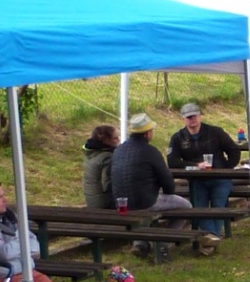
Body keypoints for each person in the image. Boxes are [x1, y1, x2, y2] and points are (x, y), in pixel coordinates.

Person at [110, 113, 201, 255]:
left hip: (121, 203)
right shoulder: (150, 151)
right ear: (147, 134)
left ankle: (140, 244)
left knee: (144, 211)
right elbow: (166, 179)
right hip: (145, 201)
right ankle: (164, 244)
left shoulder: (119, 150)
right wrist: (168, 192)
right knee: (186, 206)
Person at [168, 102, 240, 239]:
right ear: (183, 119)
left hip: (220, 179)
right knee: (199, 209)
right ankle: (213, 237)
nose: (192, 120)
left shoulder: (215, 132)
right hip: (197, 180)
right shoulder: (178, 137)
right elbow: (172, 162)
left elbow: (234, 150)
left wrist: (226, 169)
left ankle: (211, 238)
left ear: (200, 116)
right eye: (189, 117)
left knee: (218, 206)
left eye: (194, 116)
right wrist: (195, 165)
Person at [81, 124, 118, 210]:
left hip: (91, 199)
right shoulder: (107, 157)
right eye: (115, 138)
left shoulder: (91, 154)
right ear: (106, 140)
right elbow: (107, 184)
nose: (118, 140)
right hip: (102, 203)